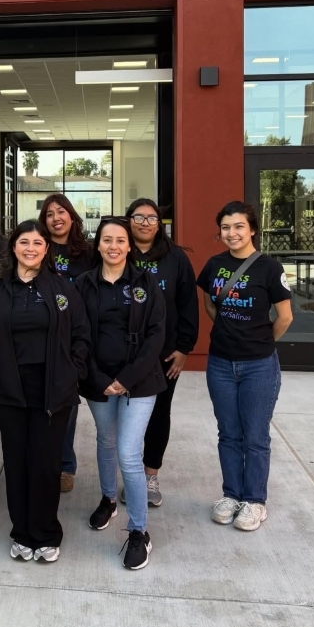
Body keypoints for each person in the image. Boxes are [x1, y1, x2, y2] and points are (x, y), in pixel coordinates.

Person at [0, 220, 91, 563]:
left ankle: (47, 533)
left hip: (54, 390)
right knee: (18, 463)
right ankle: (22, 532)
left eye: (37, 243)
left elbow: (81, 335)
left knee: (45, 463)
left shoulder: (61, 288)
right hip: (12, 389)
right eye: (24, 242)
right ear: (14, 248)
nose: (30, 249)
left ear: (46, 249)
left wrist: (73, 373)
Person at [75, 216, 166, 571]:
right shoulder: (83, 284)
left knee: (129, 453)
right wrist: (99, 378)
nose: (113, 246)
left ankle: (139, 531)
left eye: (120, 240)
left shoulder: (147, 283)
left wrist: (126, 378)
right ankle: (109, 499)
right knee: (106, 441)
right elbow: (77, 335)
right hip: (97, 381)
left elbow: (157, 334)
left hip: (140, 382)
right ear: (98, 244)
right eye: (107, 240)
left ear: (130, 246)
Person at [197, 200, 293, 532]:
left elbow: (285, 317)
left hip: (259, 366)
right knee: (228, 434)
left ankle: (254, 501)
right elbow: (211, 305)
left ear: (251, 229)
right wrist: (229, 331)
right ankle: (231, 495)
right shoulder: (214, 264)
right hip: (221, 363)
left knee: (255, 435)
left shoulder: (269, 268)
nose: (232, 232)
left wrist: (260, 341)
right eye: (225, 227)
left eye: (239, 226)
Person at [123, 198, 199, 507]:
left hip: (164, 356)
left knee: (158, 415)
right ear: (129, 220)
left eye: (151, 218)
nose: (144, 222)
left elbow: (188, 306)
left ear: (160, 224)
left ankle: (150, 474)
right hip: (123, 355)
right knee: (124, 420)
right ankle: (129, 476)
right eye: (138, 217)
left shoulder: (176, 258)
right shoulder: (117, 250)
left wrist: (183, 349)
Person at [39, 193, 93, 494]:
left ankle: (64, 464)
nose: (56, 218)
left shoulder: (88, 252)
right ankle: (43, 461)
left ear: (72, 217)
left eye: (61, 212)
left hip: (73, 337)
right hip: (40, 334)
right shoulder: (38, 247)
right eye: (49, 214)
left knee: (67, 404)